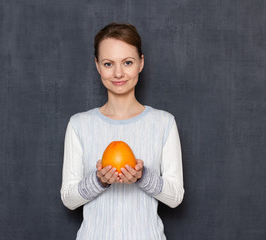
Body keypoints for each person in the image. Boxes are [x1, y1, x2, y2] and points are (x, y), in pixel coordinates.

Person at [60, 22, 184, 240]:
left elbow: (175, 197)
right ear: (97, 66)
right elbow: (69, 200)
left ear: (141, 63)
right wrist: (100, 181)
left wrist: (142, 176)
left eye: (127, 62)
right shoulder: (79, 125)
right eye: (108, 64)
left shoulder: (164, 122)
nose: (118, 73)